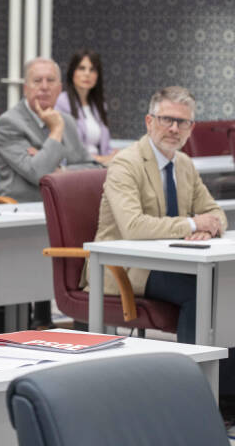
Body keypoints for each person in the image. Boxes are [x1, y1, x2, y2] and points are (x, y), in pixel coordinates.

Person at [89, 86, 235, 422]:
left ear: (191, 129)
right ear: (149, 121)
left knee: (226, 289)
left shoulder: (184, 164)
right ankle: (190, 399)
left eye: (182, 123)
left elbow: (216, 212)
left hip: (174, 261)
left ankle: (225, 396)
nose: (174, 129)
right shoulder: (126, 163)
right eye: (167, 120)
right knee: (200, 294)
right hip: (126, 268)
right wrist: (190, 222)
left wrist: (208, 226)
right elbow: (134, 227)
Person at [0, 57, 98, 203]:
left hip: (64, 205)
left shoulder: (66, 121)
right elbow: (38, 173)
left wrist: (62, 171)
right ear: (25, 88)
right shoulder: (9, 123)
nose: (44, 87)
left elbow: (94, 169)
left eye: (50, 80)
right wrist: (56, 131)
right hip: (23, 210)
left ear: (59, 89)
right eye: (37, 81)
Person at [55, 50, 117, 165]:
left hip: (100, 165)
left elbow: (105, 147)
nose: (87, 74)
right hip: (76, 167)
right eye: (81, 68)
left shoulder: (99, 105)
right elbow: (67, 150)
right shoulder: (61, 102)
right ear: (72, 72)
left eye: (92, 70)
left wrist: (115, 155)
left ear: (97, 76)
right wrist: (100, 160)